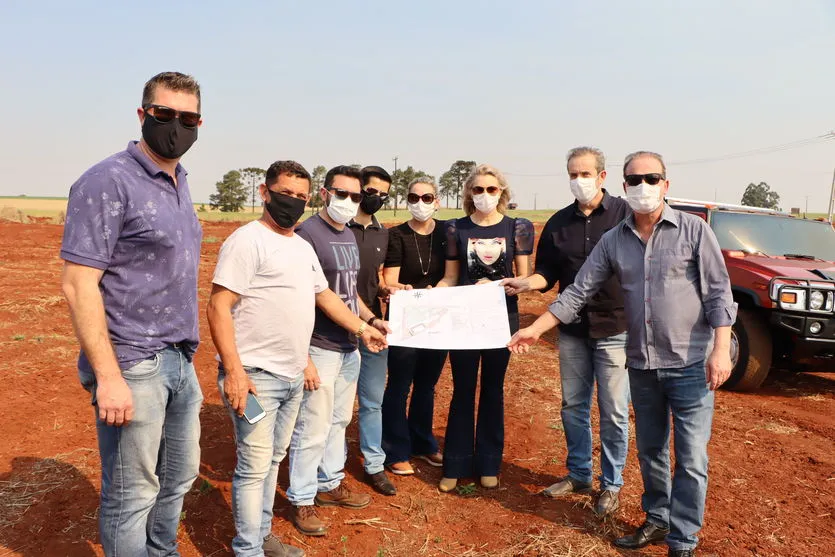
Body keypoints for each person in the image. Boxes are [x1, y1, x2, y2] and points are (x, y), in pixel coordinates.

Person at [508, 151, 736, 557]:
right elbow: (578, 291)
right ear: (624, 185)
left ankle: (683, 540)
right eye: (635, 180)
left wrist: (721, 350)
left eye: (651, 179)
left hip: (689, 364)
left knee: (691, 458)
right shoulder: (615, 240)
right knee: (651, 451)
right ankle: (657, 519)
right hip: (642, 364)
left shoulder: (694, 231)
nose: (643, 186)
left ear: (665, 184)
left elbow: (719, 293)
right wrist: (535, 328)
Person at [60, 71, 205, 556]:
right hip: (132, 363)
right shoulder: (107, 181)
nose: (176, 126)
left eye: (188, 118)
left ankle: (161, 551)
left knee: (179, 476)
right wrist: (109, 377)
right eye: (164, 114)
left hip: (179, 357)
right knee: (133, 492)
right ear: (143, 114)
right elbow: (78, 284)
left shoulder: (179, 179)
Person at [208, 160, 364, 556]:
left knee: (274, 458)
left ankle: (261, 537)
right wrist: (235, 373)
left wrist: (364, 329)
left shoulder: (301, 246)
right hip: (255, 379)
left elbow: (324, 296)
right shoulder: (247, 241)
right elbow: (218, 306)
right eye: (284, 193)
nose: (292, 201)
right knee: (254, 465)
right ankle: (248, 549)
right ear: (265, 193)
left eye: (300, 196)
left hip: (292, 377)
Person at [502, 146, 631, 517]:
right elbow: (548, 274)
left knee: (614, 410)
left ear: (602, 176)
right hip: (572, 328)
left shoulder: (624, 215)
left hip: (615, 327)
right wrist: (526, 283)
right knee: (573, 406)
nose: (579, 180)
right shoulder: (559, 223)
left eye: (585, 174)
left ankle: (611, 484)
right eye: (573, 174)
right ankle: (579, 474)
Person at [287, 165, 390, 537]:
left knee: (338, 420)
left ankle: (329, 482)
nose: (349, 201)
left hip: (349, 346)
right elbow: (310, 298)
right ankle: (302, 497)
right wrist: (304, 356)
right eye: (341, 193)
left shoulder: (346, 234)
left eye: (355, 196)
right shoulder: (307, 235)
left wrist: (370, 319)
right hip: (321, 345)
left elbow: (348, 293)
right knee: (312, 426)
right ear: (324, 193)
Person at [436, 164, 534, 492]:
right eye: (478, 189)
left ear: (501, 192)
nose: (485, 195)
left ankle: (489, 463)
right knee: (462, 389)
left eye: (491, 189)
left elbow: (523, 277)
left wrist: (503, 285)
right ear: (469, 193)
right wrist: (427, 296)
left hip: (500, 320)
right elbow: (451, 277)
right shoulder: (456, 228)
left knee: (493, 389)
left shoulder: (516, 227)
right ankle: (455, 463)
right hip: (463, 320)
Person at [381, 178, 448, 476]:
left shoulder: (447, 233)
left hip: (438, 318)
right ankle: (395, 449)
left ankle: (422, 442)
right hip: (404, 317)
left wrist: (437, 290)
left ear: (437, 201)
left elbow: (453, 272)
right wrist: (404, 288)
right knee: (399, 383)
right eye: (413, 197)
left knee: (427, 383)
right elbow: (389, 279)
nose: (420, 203)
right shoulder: (396, 235)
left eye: (427, 197)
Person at [346, 166, 396, 496]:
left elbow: (373, 278)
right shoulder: (338, 227)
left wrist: (387, 290)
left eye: (383, 194)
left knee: (372, 400)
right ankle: (329, 464)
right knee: (334, 405)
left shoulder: (382, 233)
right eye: (371, 191)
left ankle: (374, 464)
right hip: (338, 327)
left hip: (374, 326)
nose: (376, 198)